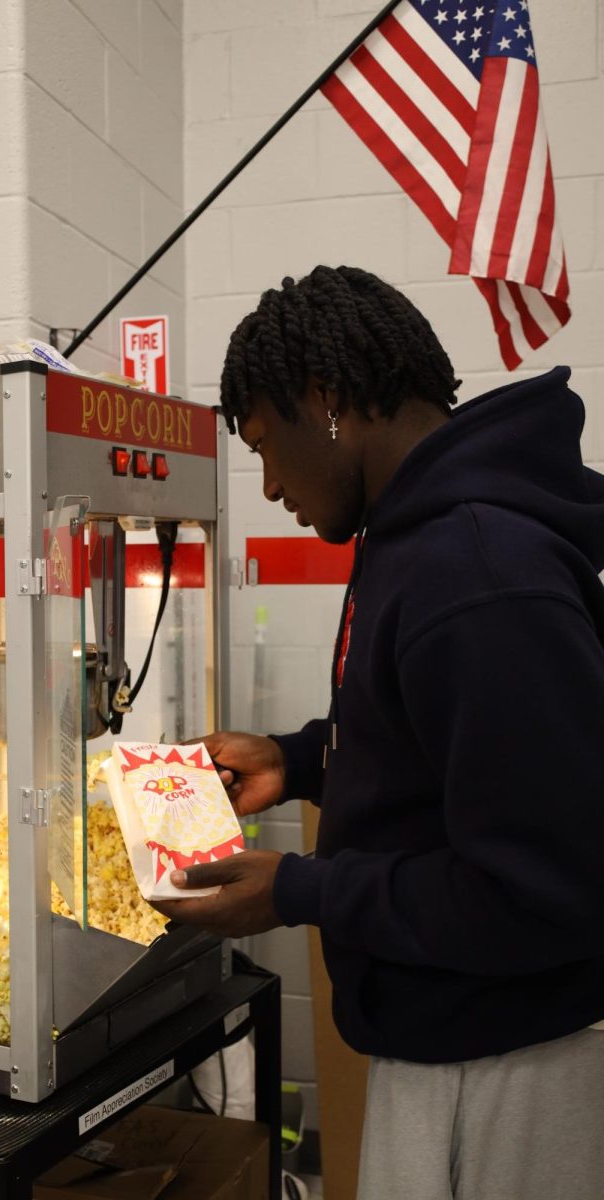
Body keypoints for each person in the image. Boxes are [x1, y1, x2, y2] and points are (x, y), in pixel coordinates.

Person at [151, 265, 604, 1200]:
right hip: (452, 1025)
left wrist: (301, 889)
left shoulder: (477, 569)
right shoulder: (411, 536)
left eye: (268, 446)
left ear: (327, 401)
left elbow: (546, 889)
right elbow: (436, 739)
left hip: (519, 1055)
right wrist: (301, 758)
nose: (270, 484)